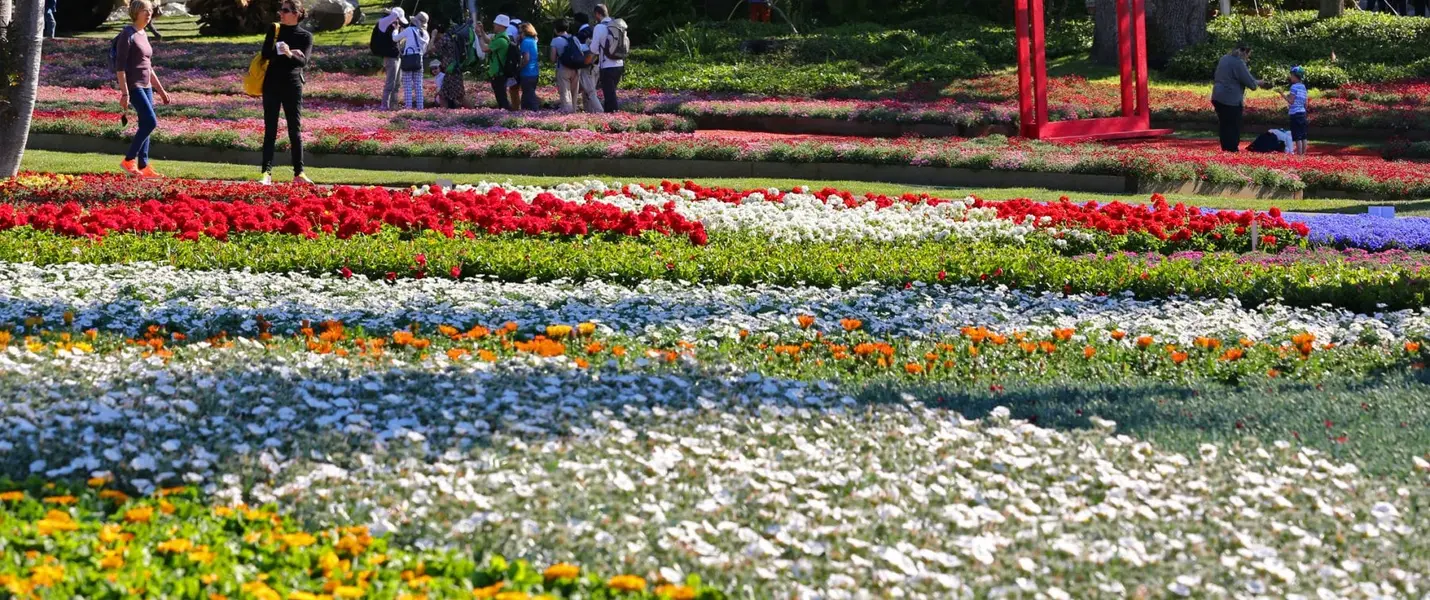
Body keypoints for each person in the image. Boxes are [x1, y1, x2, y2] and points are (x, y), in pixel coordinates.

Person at [259, 0, 314, 185]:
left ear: (296, 13)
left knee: (294, 130)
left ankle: (299, 173)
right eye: (281, 10)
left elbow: (303, 62)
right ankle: (266, 173)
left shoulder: (306, 36)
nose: (280, 13)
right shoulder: (274, 30)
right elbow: (265, 53)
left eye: (285, 10)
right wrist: (278, 50)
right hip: (272, 85)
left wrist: (290, 53)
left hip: (292, 86)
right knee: (270, 130)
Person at [115, 0, 170, 178]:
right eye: (145, 11)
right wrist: (125, 93)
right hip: (134, 86)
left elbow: (148, 66)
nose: (149, 14)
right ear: (136, 12)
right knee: (150, 122)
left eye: (150, 11)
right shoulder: (127, 34)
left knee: (145, 124)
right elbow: (120, 67)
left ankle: (143, 165)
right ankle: (129, 160)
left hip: (146, 86)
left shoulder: (143, 33)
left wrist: (161, 91)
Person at [1210, 43, 1264, 153]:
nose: (1248, 58)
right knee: (1233, 127)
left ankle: (1225, 150)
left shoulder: (1224, 59)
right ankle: (1232, 151)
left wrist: (1255, 81)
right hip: (1231, 100)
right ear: (1244, 52)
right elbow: (1251, 84)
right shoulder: (1239, 63)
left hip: (1217, 96)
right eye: (1248, 55)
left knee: (1224, 125)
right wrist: (1259, 83)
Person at [590, 3, 624, 112]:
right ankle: (611, 117)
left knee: (609, 96)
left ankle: (612, 119)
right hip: (619, 63)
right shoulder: (618, 25)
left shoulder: (599, 27)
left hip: (606, 65)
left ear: (597, 14)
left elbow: (594, 49)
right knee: (612, 93)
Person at [395, 11, 429, 110]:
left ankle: (408, 108)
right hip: (419, 60)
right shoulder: (425, 33)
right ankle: (420, 107)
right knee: (418, 85)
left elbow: (395, 39)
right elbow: (425, 50)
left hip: (408, 59)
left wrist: (396, 30)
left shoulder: (409, 30)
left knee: (407, 85)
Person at [374, 7, 407, 109]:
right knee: (390, 83)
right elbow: (393, 40)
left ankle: (393, 105)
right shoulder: (386, 26)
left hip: (397, 56)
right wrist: (397, 30)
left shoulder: (394, 26)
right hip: (391, 57)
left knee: (396, 84)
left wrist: (399, 30)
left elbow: (398, 41)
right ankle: (385, 105)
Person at [573, 13, 602, 114]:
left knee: (590, 92)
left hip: (587, 66)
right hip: (596, 65)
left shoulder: (582, 34)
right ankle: (589, 112)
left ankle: (599, 112)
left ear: (578, 21)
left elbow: (582, 50)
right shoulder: (593, 30)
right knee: (588, 91)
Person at [486, 14, 515, 110]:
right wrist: (481, 32)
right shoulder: (501, 38)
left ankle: (506, 116)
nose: (494, 26)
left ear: (501, 26)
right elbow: (489, 42)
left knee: (502, 99)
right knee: (501, 98)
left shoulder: (501, 40)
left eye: (495, 24)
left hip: (499, 74)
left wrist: (478, 36)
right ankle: (504, 115)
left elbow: (484, 48)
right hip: (498, 73)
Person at [551, 19, 580, 113]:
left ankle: (567, 113)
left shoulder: (555, 41)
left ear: (556, 29)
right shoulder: (574, 38)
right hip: (576, 68)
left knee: (565, 92)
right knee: (574, 92)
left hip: (563, 68)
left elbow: (553, 58)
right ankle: (574, 111)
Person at [1282, 65, 1308, 156]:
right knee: (1303, 136)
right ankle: (1303, 155)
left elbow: (1291, 101)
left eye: (1292, 75)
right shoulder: (1303, 87)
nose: (1290, 77)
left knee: (1297, 136)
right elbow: (1306, 102)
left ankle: (1299, 156)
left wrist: (1282, 94)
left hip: (1295, 114)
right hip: (1302, 113)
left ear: (1295, 76)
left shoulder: (1294, 87)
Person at [517, 22, 540, 110]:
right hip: (534, 72)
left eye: (520, 32)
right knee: (527, 94)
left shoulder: (525, 42)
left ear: (524, 32)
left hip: (527, 73)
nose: (519, 35)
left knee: (529, 95)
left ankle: (535, 112)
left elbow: (526, 58)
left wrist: (520, 67)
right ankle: (525, 111)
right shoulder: (533, 41)